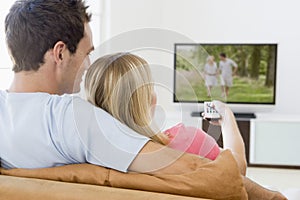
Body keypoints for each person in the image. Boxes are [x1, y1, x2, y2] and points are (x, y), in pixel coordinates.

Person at [0, 0, 286, 199]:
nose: (87, 66)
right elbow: (208, 174)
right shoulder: (73, 119)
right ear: (60, 53)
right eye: (87, 53)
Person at [84, 53, 221, 161]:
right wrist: (227, 120)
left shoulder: (84, 157)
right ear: (148, 100)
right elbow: (234, 170)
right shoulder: (189, 140)